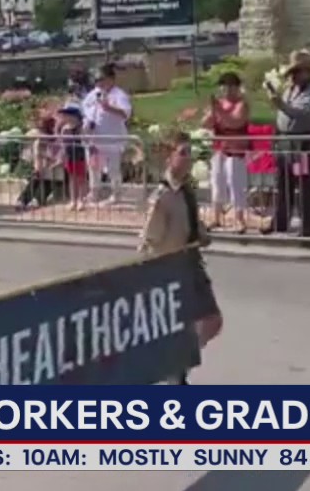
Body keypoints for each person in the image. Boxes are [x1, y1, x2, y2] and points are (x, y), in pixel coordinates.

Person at [140, 131, 222, 385]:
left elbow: (192, 223)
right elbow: (149, 240)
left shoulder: (186, 190)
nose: (188, 159)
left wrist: (203, 234)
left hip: (191, 264)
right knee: (184, 326)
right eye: (182, 153)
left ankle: (177, 365)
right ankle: (174, 371)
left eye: (190, 153)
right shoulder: (161, 197)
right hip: (171, 270)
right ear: (169, 158)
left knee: (211, 321)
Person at [262, 50, 310, 238]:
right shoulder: (290, 89)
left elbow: (304, 113)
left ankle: (307, 224)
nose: (294, 76)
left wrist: (281, 105)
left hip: (303, 141)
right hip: (286, 141)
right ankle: (281, 221)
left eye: (297, 72)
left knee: (304, 184)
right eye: (292, 72)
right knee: (283, 183)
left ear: (307, 71)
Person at [202, 71, 250, 232]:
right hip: (219, 149)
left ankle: (239, 219)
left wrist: (220, 111)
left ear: (237, 88)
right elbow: (206, 124)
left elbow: (236, 122)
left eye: (231, 86)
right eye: (225, 86)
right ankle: (216, 217)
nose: (227, 90)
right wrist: (211, 112)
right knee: (217, 182)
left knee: (235, 182)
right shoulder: (219, 104)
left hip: (236, 149)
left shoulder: (241, 104)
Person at [81, 63, 133, 204]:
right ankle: (94, 192)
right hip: (94, 139)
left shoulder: (119, 95)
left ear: (111, 79)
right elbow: (85, 109)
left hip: (112, 139)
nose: (99, 82)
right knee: (94, 167)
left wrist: (109, 108)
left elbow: (125, 114)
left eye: (102, 79)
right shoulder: (93, 94)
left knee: (113, 169)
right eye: (97, 79)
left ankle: (116, 195)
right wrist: (87, 123)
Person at [16, 114, 63, 210]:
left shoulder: (59, 139)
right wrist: (38, 168)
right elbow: (38, 155)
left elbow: (61, 157)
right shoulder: (40, 141)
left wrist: (53, 163)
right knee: (36, 177)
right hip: (45, 165)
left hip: (57, 166)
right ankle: (23, 200)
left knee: (50, 179)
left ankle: (37, 200)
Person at [56, 105, 89, 210]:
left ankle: (81, 200)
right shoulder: (65, 128)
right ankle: (73, 200)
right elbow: (63, 143)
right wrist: (62, 156)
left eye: (67, 115)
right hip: (70, 155)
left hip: (80, 155)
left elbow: (85, 140)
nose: (64, 117)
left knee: (81, 179)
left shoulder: (81, 127)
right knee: (72, 178)